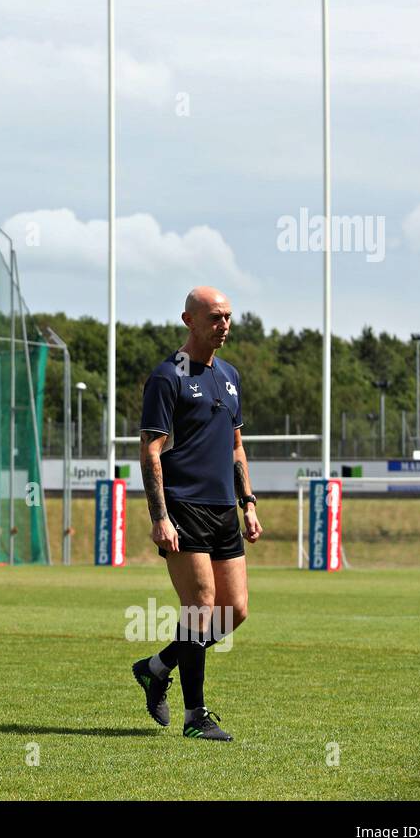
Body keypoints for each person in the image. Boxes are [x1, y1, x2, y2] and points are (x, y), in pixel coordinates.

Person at [132, 286, 262, 742]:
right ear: (189, 320)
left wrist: (247, 503)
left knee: (236, 611)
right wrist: (160, 516)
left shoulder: (230, 375)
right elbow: (150, 452)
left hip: (225, 508)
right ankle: (195, 716)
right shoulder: (168, 377)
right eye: (214, 317)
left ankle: (156, 667)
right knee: (201, 607)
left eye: (227, 317)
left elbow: (236, 446)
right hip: (183, 507)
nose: (223, 324)